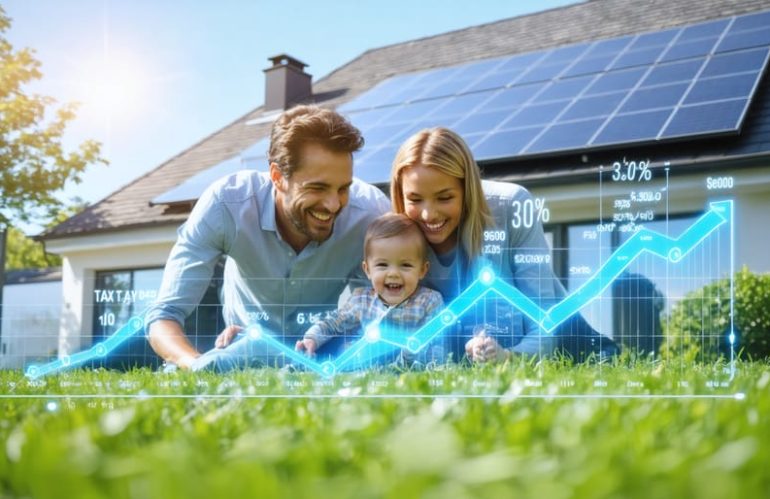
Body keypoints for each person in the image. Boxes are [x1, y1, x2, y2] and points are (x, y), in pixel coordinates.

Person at [145, 105, 390, 370]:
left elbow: (378, 312)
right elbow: (165, 314)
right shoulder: (226, 205)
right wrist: (194, 366)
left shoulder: (370, 216)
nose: (332, 205)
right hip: (241, 348)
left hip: (318, 352)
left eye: (343, 189)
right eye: (317, 188)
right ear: (277, 177)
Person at [390, 127, 620, 363]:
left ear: (467, 189)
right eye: (415, 199)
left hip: (562, 336)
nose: (428, 215)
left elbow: (543, 324)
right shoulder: (395, 237)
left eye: (445, 197)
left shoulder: (511, 205)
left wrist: (508, 358)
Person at [295, 213, 444, 367]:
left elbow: (437, 345)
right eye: (382, 265)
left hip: (409, 367)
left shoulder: (429, 301)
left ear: (422, 270)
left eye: (405, 265)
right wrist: (311, 338)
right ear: (367, 270)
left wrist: (415, 357)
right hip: (364, 366)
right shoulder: (361, 300)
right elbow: (333, 324)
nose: (393, 273)